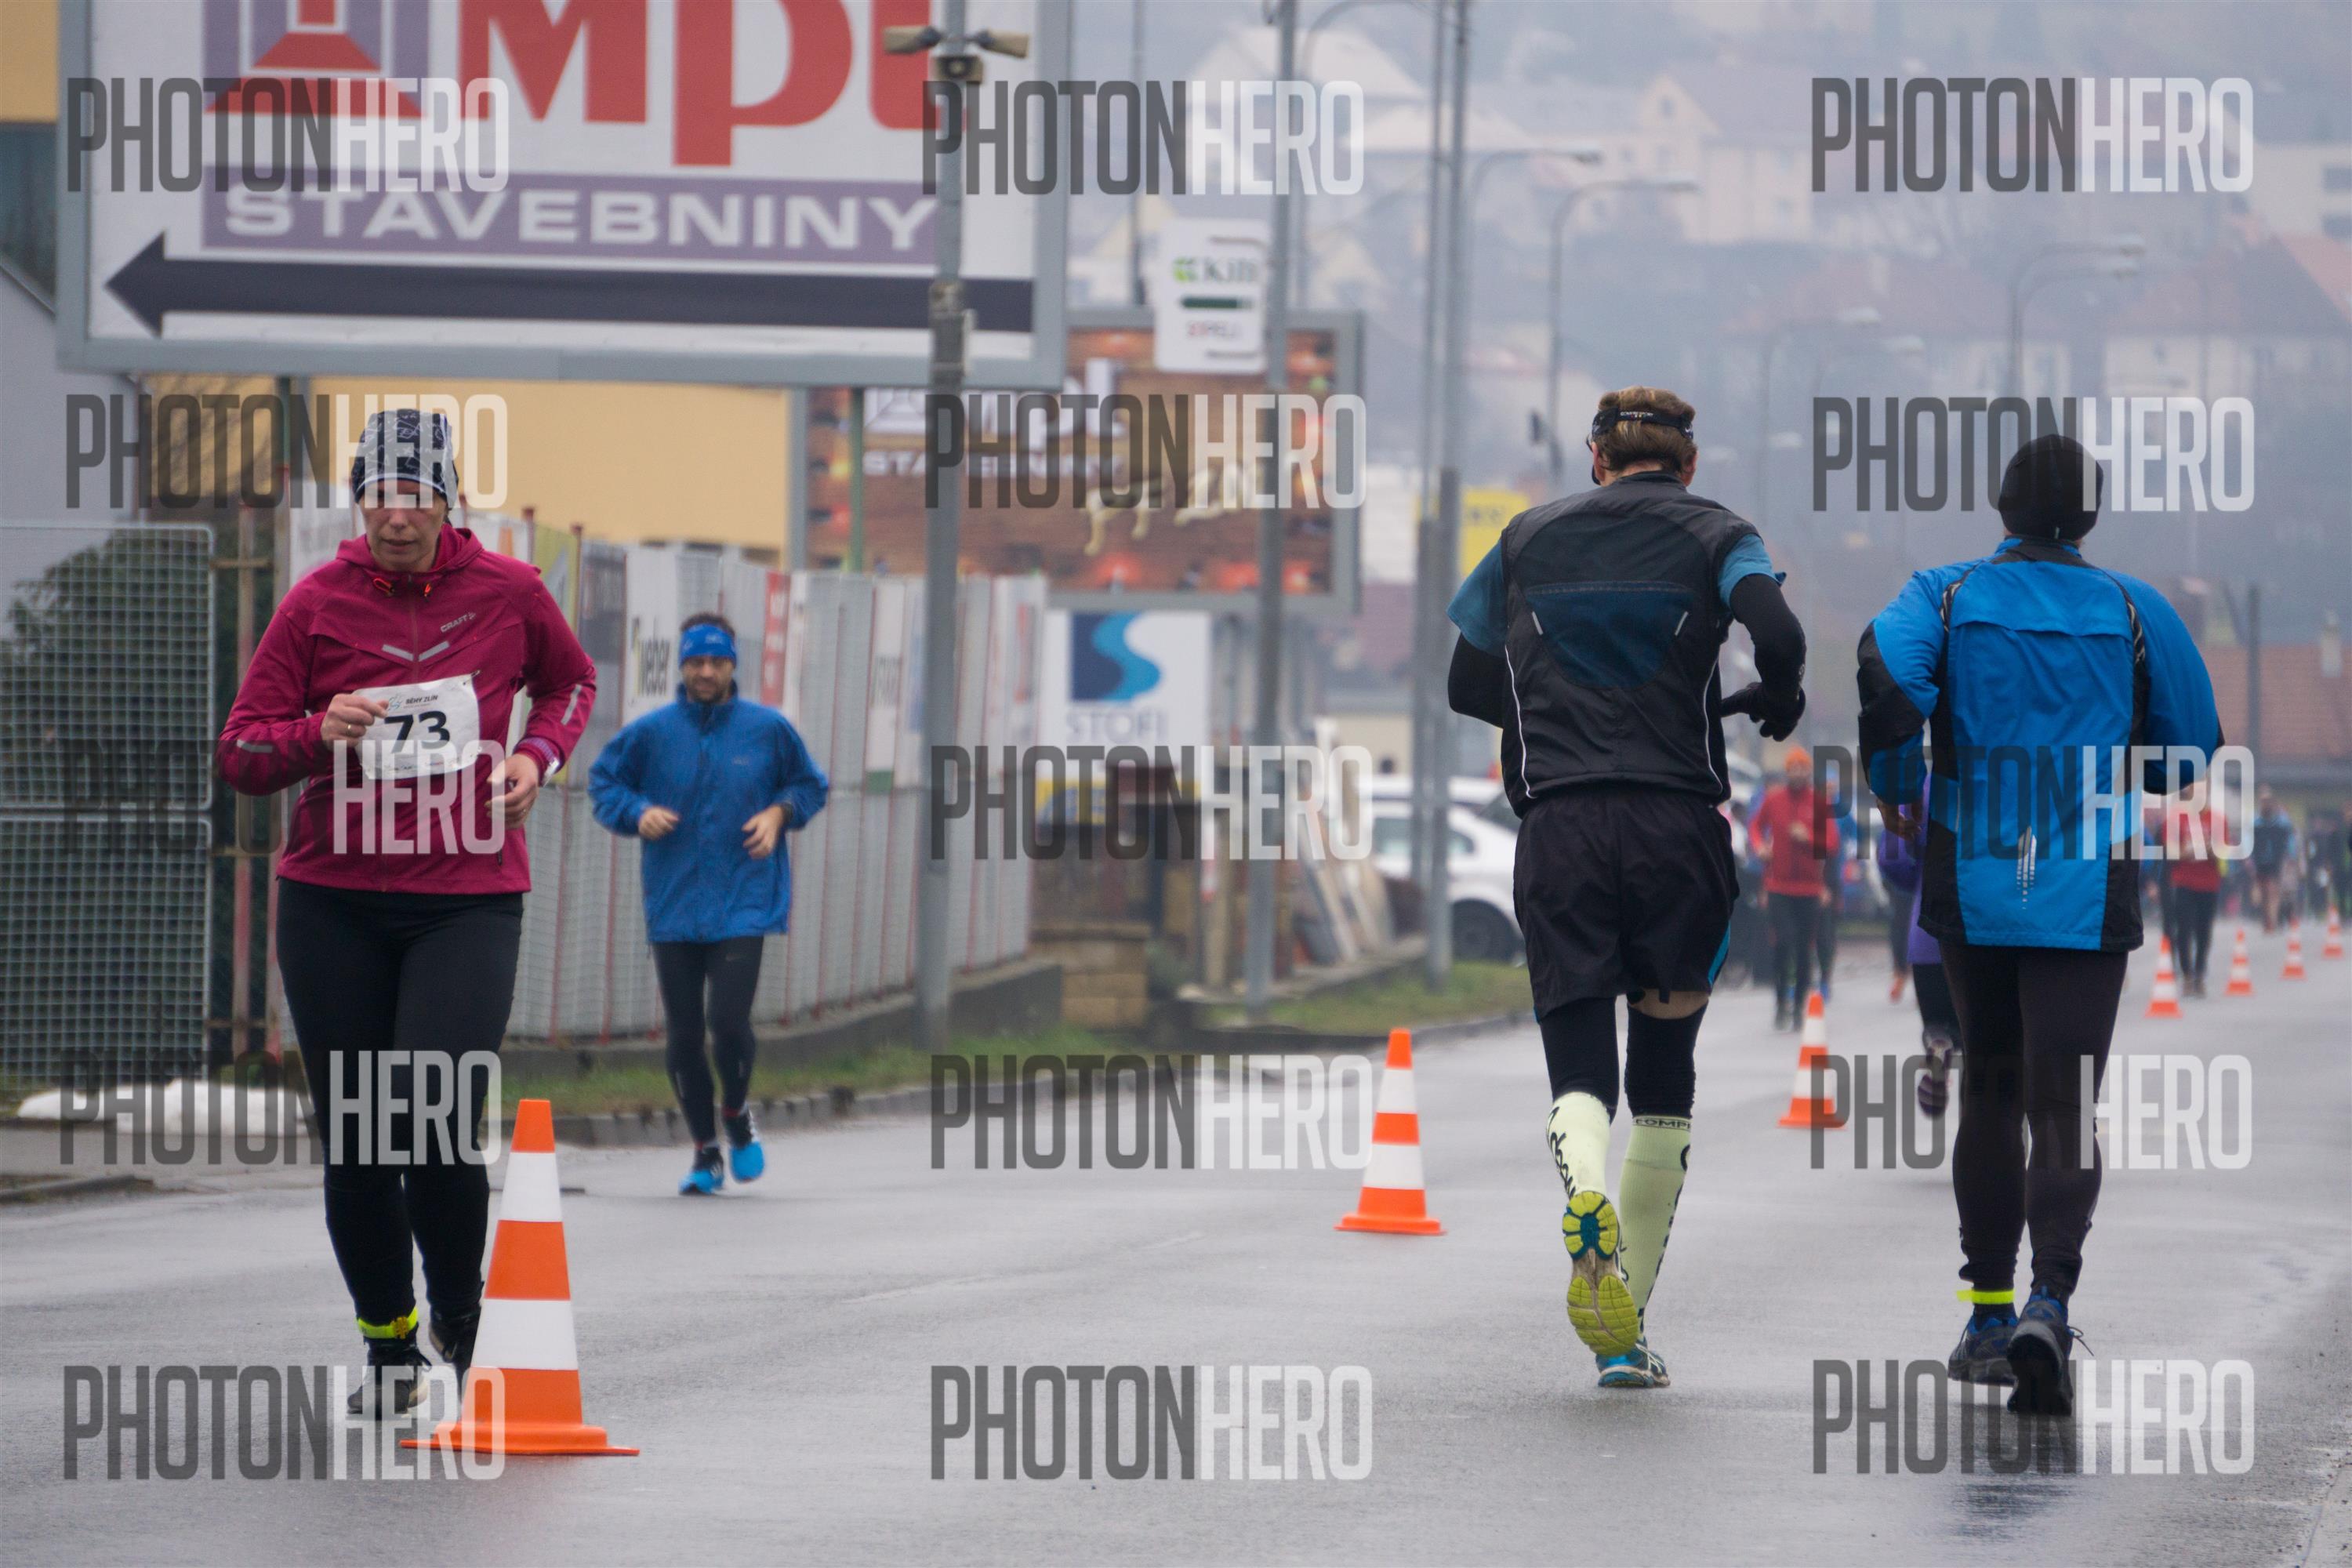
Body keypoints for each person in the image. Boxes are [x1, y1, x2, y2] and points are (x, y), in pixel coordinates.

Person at [218, 408, 597, 1416]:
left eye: (415, 495)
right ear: (360, 500)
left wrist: (536, 756)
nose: (395, 516)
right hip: (334, 901)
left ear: (446, 499)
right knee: (357, 1134)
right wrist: (316, 731)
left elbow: (571, 681)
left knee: (434, 1114)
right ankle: (388, 1343)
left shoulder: (511, 591)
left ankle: (465, 1327)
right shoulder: (315, 603)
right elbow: (241, 751)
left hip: (465, 898)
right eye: (378, 495)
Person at [1446, 386, 1809, 1390]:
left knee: (1577, 1066)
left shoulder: (1523, 538)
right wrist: (1776, 695)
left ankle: (1583, 1193)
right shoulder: (1720, 533)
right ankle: (1623, 1332)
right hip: (1674, 830)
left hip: (1560, 828)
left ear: (1596, 460)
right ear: (1687, 464)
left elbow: (1465, 682)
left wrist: (1545, 709)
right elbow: (1778, 636)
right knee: (1664, 1079)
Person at [1857, 433, 2220, 1415]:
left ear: (2004, 506)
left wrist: (1894, 786)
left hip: (1973, 873)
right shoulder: (2136, 610)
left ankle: (1984, 1314)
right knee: (2064, 1099)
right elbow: (2191, 751)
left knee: (1991, 1086)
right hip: (2086, 881)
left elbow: (1885, 674)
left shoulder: (1943, 594)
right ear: (2089, 517)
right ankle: (2049, 1303)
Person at [590, 613, 829, 1195]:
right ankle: (705, 1152)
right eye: (695, 662)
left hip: (745, 899)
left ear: (732, 666)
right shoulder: (652, 733)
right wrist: (637, 812)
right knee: (683, 1032)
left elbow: (809, 785)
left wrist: (778, 814)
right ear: (681, 666)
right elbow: (604, 783)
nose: (705, 672)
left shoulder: (768, 729)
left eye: (716, 662)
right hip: (674, 903)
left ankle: (736, 1112)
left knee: (727, 1022)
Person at [1876, 779, 1958, 1116]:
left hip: (1930, 934)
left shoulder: (1920, 784)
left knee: (1939, 1022)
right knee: (1989, 1045)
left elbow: (1892, 857)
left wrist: (1920, 879)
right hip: (1993, 932)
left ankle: (1938, 1041)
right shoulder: (2013, 773)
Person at [1751, 748, 1839, 1029]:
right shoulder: (1774, 799)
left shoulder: (1819, 803)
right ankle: (1780, 1002)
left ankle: (1800, 1006)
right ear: (1787, 771)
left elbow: (1832, 844)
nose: (1798, 773)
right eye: (1793, 768)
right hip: (1778, 886)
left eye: (1803, 768)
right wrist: (1760, 847)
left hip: (1809, 889)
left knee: (1804, 950)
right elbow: (1755, 827)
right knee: (1783, 943)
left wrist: (1808, 837)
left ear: (1809, 772)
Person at [2165, 784, 2227, 997]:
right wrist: (2190, 851)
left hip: (2209, 883)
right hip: (2183, 882)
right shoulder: (2176, 818)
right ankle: (2187, 974)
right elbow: (2170, 852)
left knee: (2204, 930)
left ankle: (2200, 972)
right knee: (2183, 929)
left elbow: (2224, 854)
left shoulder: (2218, 819)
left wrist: (2211, 850)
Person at [2249, 789, 2297, 933]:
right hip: (2259, 862)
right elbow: (2248, 841)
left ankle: (2273, 921)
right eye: (2263, 802)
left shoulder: (2282, 823)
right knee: (2263, 893)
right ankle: (2266, 919)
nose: (2266, 805)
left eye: (2268, 802)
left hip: (2276, 861)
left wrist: (2291, 857)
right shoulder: (2255, 823)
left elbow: (2290, 840)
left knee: (2274, 891)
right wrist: (2248, 859)